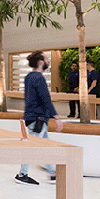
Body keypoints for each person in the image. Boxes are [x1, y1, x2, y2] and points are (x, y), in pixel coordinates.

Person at [15, 51, 63, 185]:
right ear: (41, 62)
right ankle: (22, 174)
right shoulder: (39, 78)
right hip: (38, 118)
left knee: (44, 146)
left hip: (33, 117)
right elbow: (45, 99)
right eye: (46, 58)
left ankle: (52, 173)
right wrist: (57, 117)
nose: (48, 61)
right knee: (32, 146)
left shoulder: (29, 77)